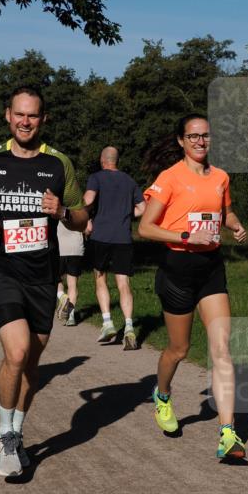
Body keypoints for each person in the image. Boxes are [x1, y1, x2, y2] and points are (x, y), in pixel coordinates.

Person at [0, 86, 89, 477]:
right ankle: (3, 433)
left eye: (33, 115)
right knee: (17, 352)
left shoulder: (58, 163)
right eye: (19, 114)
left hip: (42, 277)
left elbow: (81, 218)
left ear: (42, 119)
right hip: (0, 270)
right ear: (7, 115)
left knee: (31, 363)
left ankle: (15, 430)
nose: (25, 121)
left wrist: (62, 210)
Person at [138, 114, 248, 460]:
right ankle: (164, 395)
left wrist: (235, 225)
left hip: (212, 270)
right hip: (177, 270)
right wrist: (186, 235)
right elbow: (146, 228)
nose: (201, 141)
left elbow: (224, 212)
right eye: (193, 136)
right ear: (181, 141)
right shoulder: (169, 179)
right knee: (179, 349)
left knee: (221, 350)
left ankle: (228, 434)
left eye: (205, 136)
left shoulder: (220, 177)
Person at [83, 146, 145, 349]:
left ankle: (108, 323)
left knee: (100, 278)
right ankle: (129, 328)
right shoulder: (130, 181)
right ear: (116, 161)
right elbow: (143, 209)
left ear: (102, 160)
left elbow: (89, 200)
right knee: (123, 283)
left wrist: (83, 217)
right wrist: (126, 214)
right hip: (123, 238)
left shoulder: (96, 178)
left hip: (100, 236)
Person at [56, 220, 85, 326]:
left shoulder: (55, 206)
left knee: (56, 280)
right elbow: (88, 228)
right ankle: (71, 316)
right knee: (72, 284)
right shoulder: (79, 207)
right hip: (76, 248)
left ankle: (62, 297)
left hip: (59, 248)